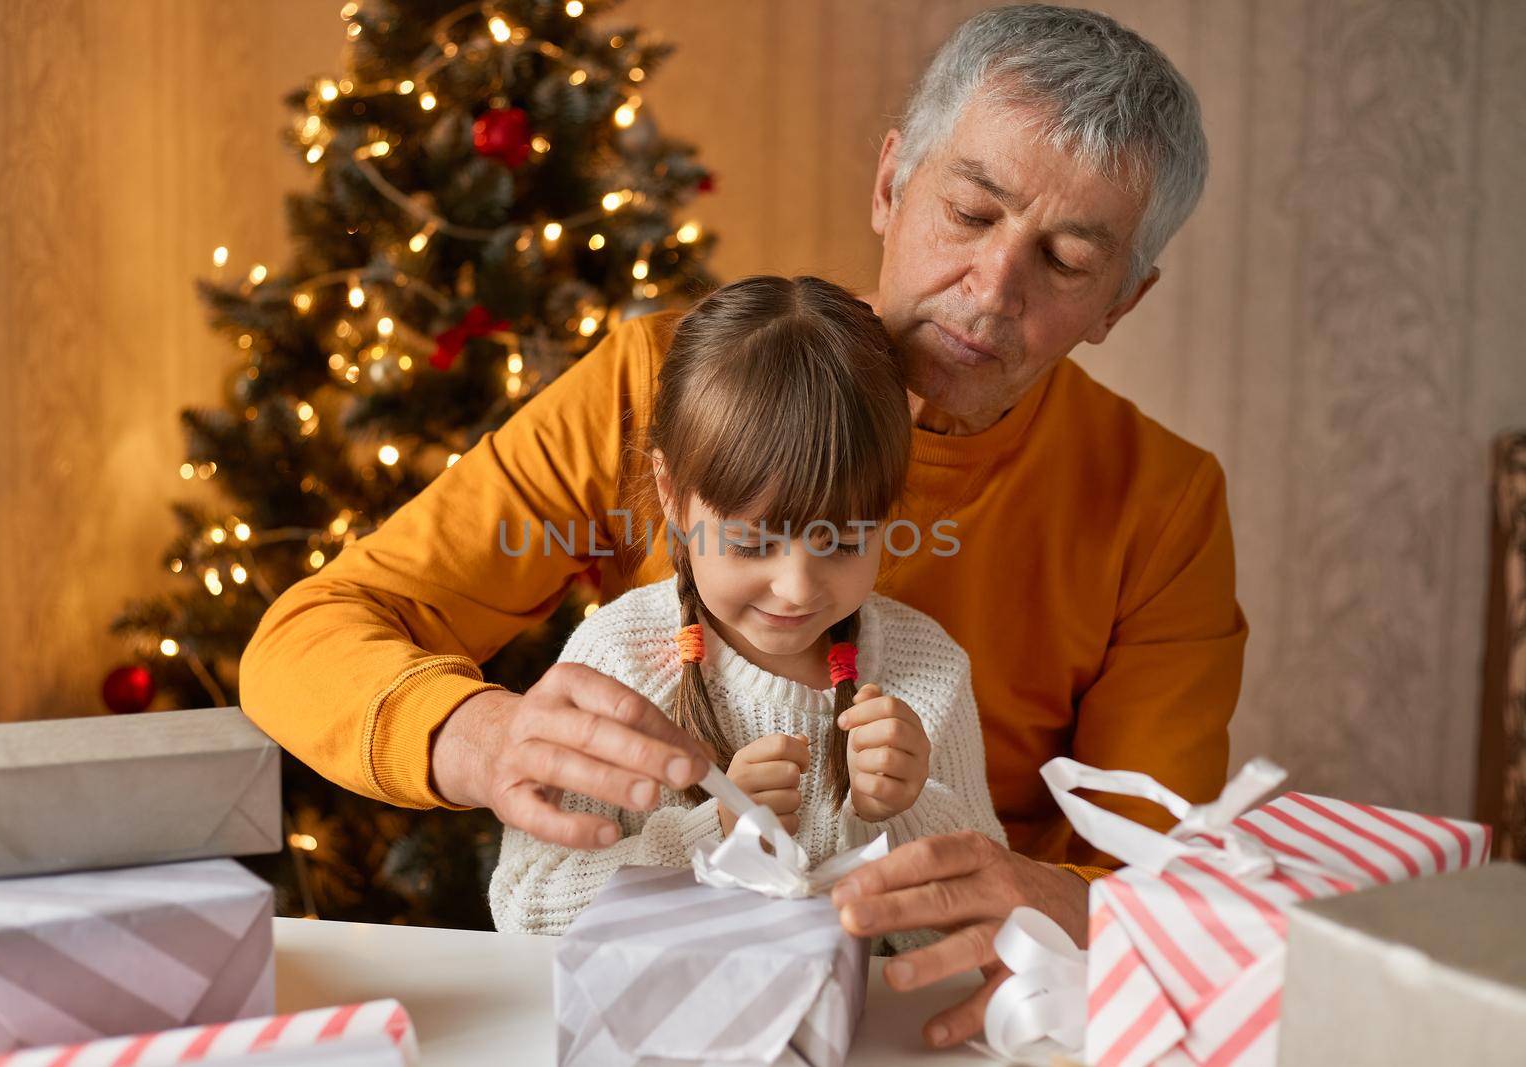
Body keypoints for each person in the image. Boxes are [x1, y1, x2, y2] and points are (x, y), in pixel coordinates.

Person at [239, 4, 1244, 1049]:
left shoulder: (1159, 503)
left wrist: (1062, 900)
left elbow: (1161, 876)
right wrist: (477, 735)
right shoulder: (650, 390)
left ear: (1121, 302)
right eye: (970, 211)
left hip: (962, 1008)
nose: (991, 291)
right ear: (891, 183)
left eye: (1068, 261)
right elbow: (307, 634)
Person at [488, 275, 1005, 952]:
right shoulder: (616, 664)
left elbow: (988, 931)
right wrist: (709, 841)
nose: (795, 588)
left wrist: (904, 816)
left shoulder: (925, 673)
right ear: (673, 495)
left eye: (844, 541)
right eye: (753, 542)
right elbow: (526, 908)